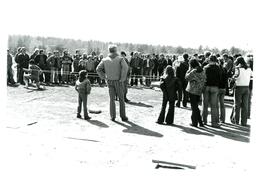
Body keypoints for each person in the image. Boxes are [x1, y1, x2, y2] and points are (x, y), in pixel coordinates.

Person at [96, 45, 129, 121]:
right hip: (119, 81)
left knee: (112, 99)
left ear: (109, 51)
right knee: (121, 99)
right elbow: (126, 68)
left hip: (109, 80)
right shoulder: (120, 59)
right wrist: (122, 78)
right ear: (116, 50)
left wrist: (104, 77)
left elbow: (98, 69)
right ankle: (123, 116)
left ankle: (112, 116)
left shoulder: (105, 60)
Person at [230, 56, 252, 126]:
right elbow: (252, 77)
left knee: (237, 105)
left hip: (239, 87)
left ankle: (236, 121)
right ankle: (244, 122)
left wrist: (232, 78)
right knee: (245, 106)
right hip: (246, 87)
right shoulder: (249, 69)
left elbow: (235, 77)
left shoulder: (237, 68)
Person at [185, 59, 206, 127]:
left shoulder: (193, 71)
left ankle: (197, 122)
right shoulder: (202, 70)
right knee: (195, 106)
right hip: (199, 90)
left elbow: (187, 77)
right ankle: (199, 122)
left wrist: (189, 69)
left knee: (194, 107)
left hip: (192, 90)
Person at [202, 55, 221, 127]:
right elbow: (220, 78)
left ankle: (204, 121)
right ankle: (214, 123)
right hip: (215, 87)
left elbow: (203, 78)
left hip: (206, 87)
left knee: (205, 105)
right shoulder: (218, 68)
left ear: (209, 60)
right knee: (214, 106)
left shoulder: (205, 68)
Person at [217, 57, 228, 123]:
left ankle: (217, 118)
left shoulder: (218, 69)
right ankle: (223, 119)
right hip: (223, 88)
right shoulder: (225, 69)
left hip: (218, 88)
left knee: (216, 104)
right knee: (222, 104)